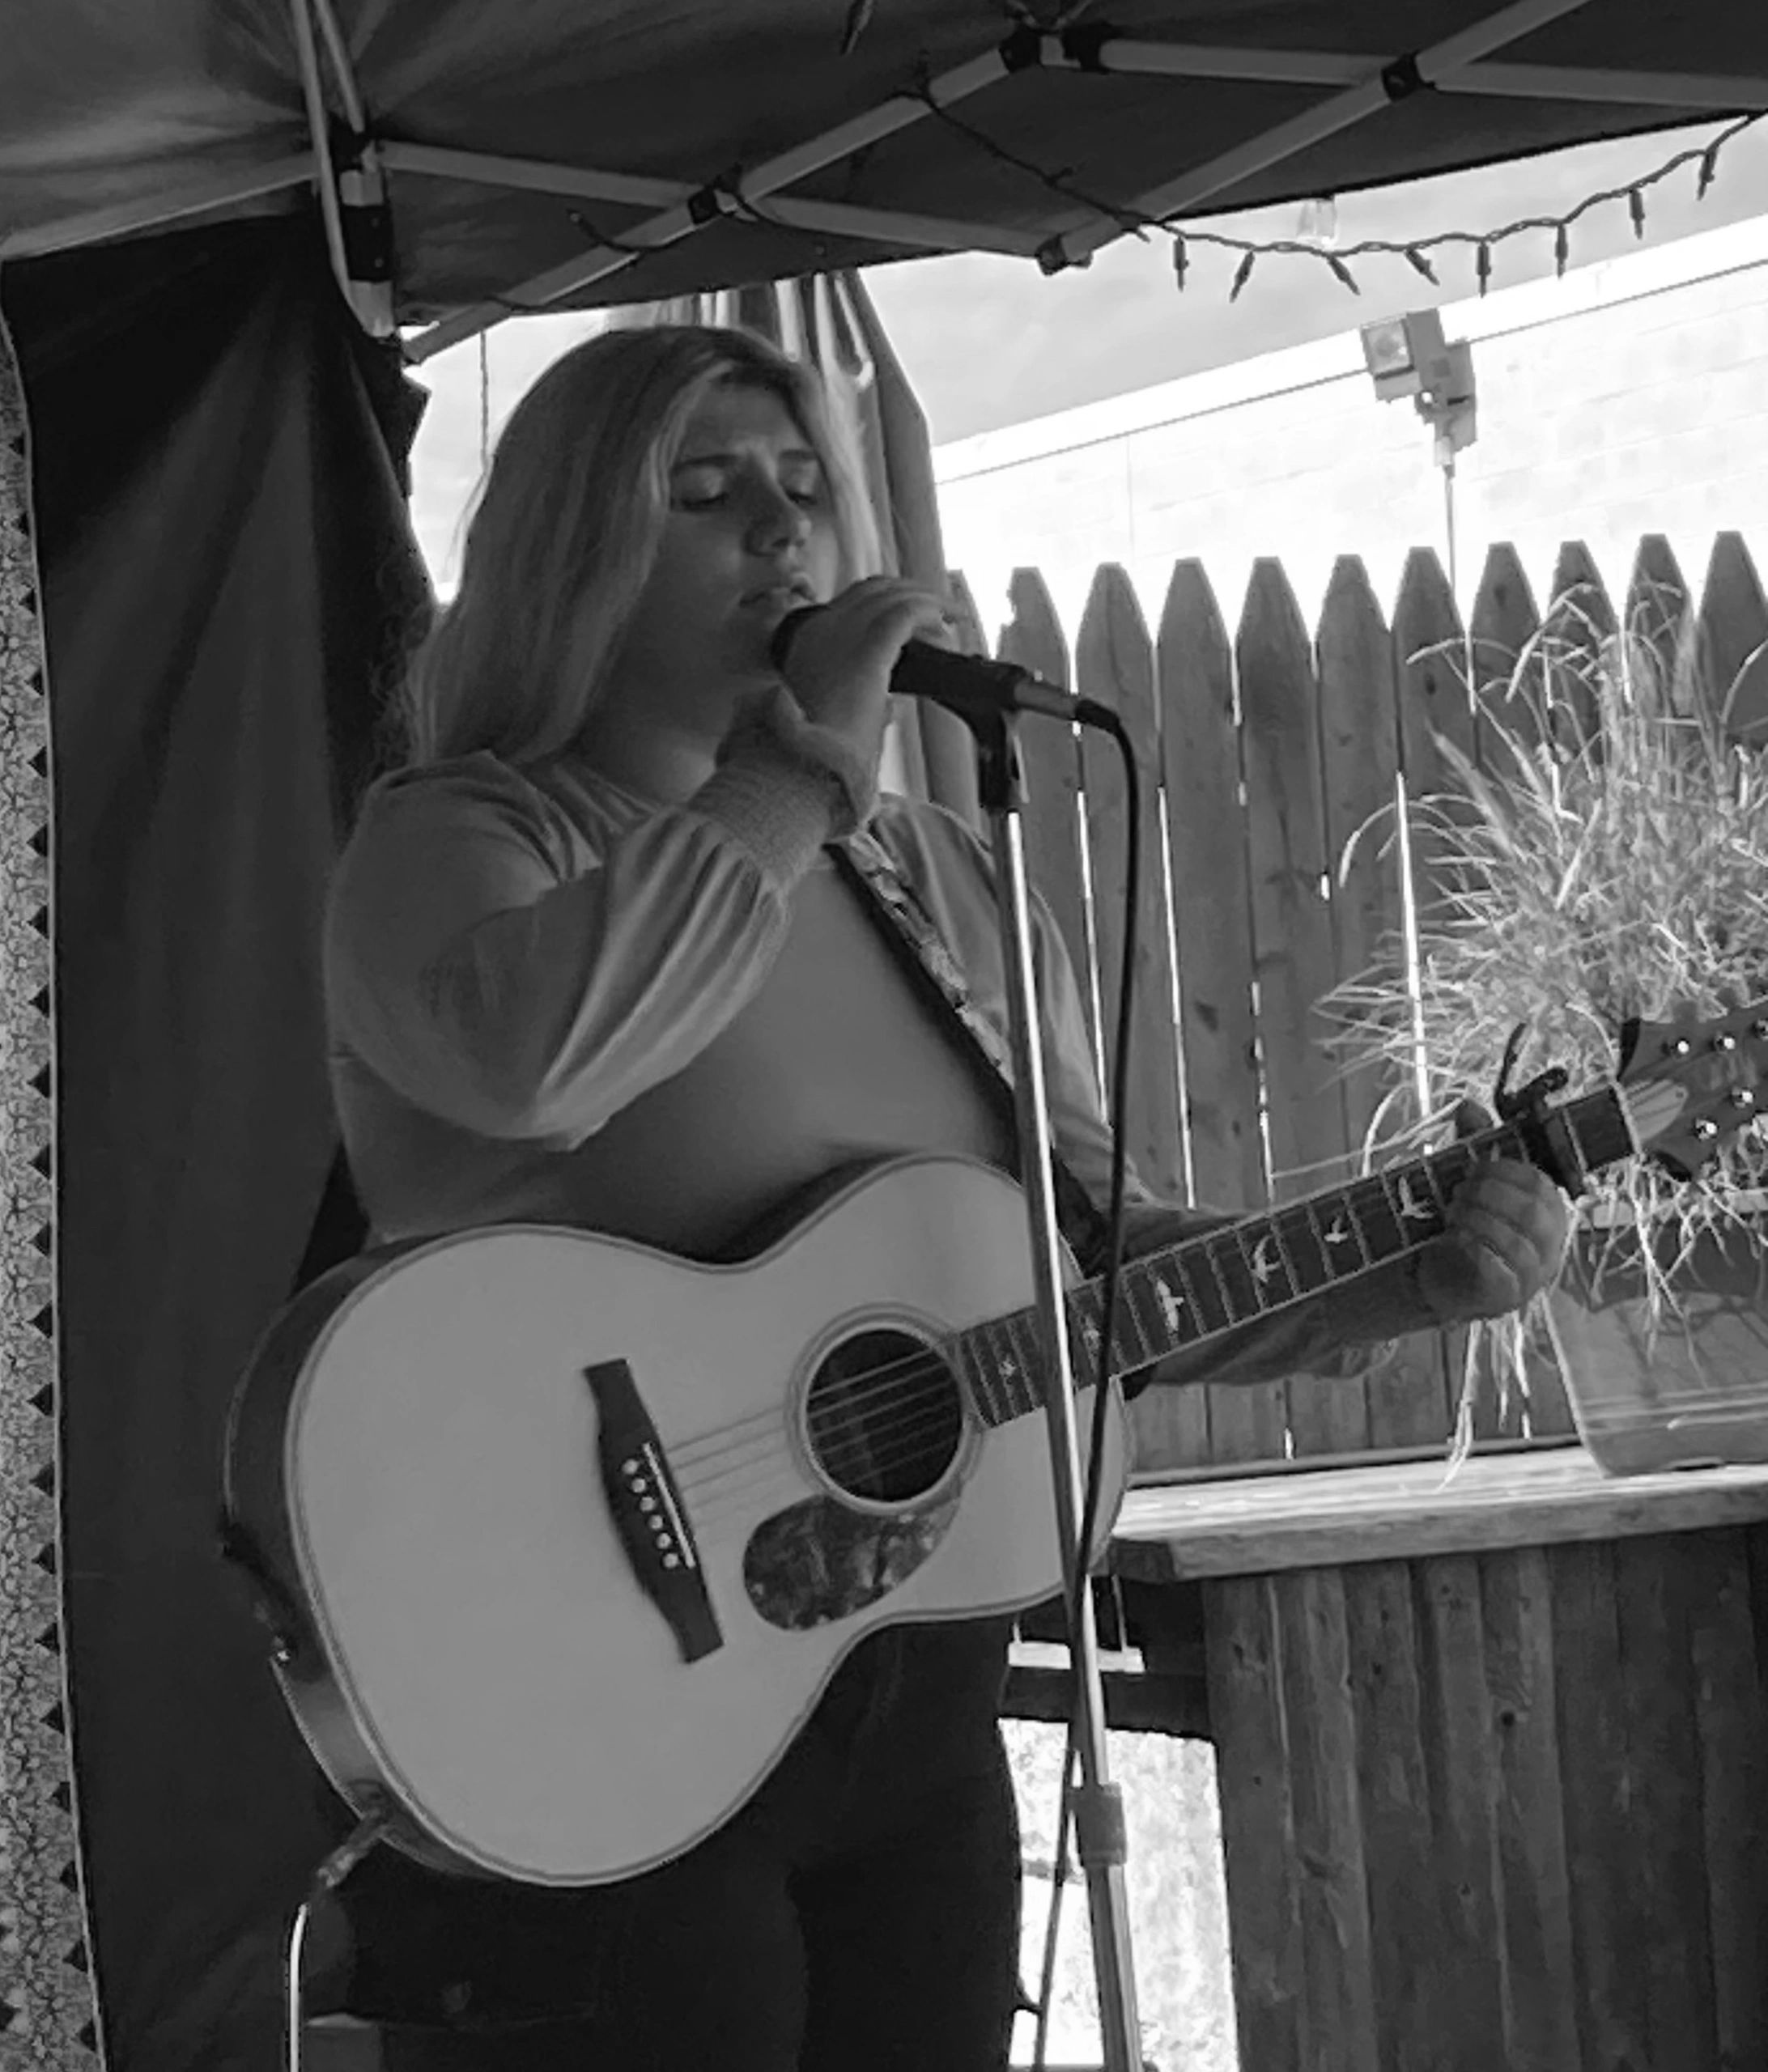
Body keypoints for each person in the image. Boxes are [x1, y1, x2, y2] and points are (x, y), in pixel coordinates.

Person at [317, 324, 1569, 2070]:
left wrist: (1402, 1273)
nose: (782, 534)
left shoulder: (930, 883)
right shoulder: (464, 838)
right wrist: (795, 773)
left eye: (803, 488)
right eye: (705, 492)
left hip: (912, 1710)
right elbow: (538, 1062)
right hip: (600, 1724)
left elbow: (1079, 1272)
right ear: (569, 548)